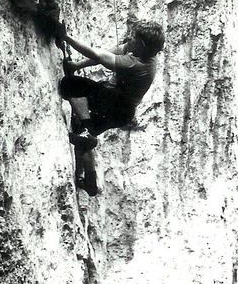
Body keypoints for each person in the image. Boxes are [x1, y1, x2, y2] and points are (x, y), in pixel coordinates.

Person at [55, 20, 164, 196]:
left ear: (142, 44)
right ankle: (90, 181)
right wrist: (76, 65)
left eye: (134, 38)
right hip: (123, 112)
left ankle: (86, 130)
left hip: (115, 104)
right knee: (82, 133)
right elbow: (106, 54)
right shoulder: (143, 53)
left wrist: (65, 36)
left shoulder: (136, 63)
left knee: (71, 84)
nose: (130, 39)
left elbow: (99, 56)